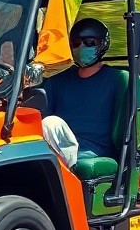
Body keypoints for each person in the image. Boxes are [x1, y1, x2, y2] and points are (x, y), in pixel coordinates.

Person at [41, 17, 122, 167]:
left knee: (51, 123)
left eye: (90, 43)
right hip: (58, 142)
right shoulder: (58, 79)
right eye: (76, 43)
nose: (81, 47)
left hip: (94, 149)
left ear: (102, 45)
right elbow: (40, 111)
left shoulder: (117, 80)